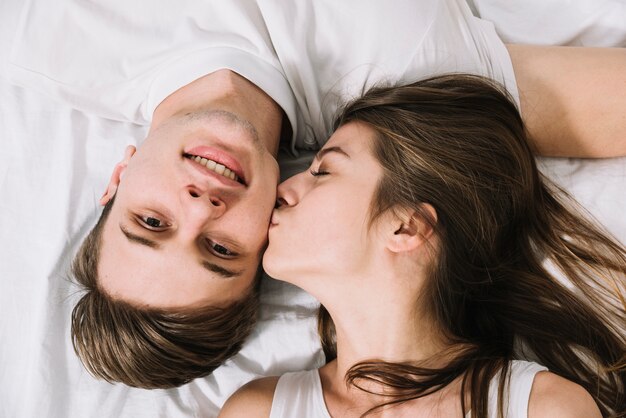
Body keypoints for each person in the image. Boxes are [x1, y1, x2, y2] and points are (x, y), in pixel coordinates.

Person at [6, 0, 625, 388]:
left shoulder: (43, 40)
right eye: (220, 250)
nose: (200, 207)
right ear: (270, 232)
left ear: (117, 180)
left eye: (152, 220)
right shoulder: (396, 97)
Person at [220, 74, 626, 418]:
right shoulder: (256, 410)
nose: (283, 189)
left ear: (406, 226)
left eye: (322, 171)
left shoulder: (542, 409)